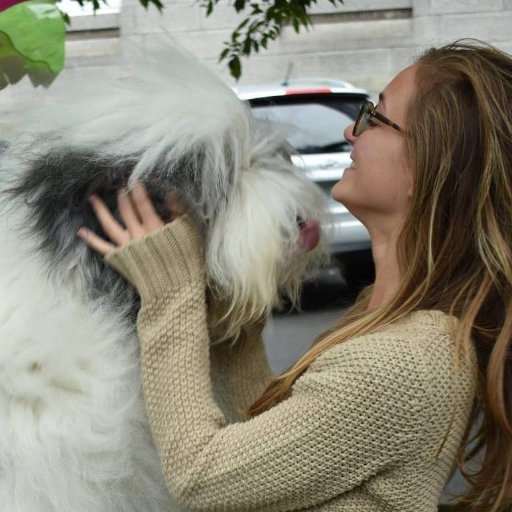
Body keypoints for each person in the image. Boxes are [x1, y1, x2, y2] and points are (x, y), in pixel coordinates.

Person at [78, 40, 512, 511]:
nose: (351, 130)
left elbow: (203, 479)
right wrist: (233, 323)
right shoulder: (392, 320)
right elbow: (268, 444)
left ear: (429, 161)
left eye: (375, 116)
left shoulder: (407, 362)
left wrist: (172, 295)